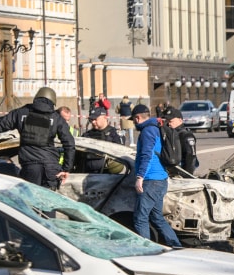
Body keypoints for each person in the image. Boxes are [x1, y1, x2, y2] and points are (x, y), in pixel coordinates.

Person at [0, 87, 74, 189]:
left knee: (30, 206)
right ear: (53, 102)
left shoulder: (21, 113)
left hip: (30, 167)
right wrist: (66, 169)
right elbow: (69, 143)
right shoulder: (56, 118)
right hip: (51, 168)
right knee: (49, 205)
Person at [132, 104, 182, 248]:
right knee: (156, 217)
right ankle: (176, 246)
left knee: (140, 218)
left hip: (151, 180)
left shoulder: (148, 130)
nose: (134, 123)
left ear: (138, 118)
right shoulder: (156, 128)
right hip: (160, 179)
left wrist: (139, 177)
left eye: (134, 120)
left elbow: (146, 154)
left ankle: (146, 252)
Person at [79, 106, 125, 173]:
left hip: (107, 175)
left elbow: (121, 155)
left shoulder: (115, 134)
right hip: (87, 174)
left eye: (95, 119)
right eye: (91, 120)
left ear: (105, 117)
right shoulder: (87, 135)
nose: (93, 122)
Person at [162, 105, 198, 174]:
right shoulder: (170, 134)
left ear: (180, 120)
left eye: (171, 121)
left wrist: (187, 175)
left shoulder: (186, 136)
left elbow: (191, 156)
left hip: (182, 171)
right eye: (167, 121)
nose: (169, 124)